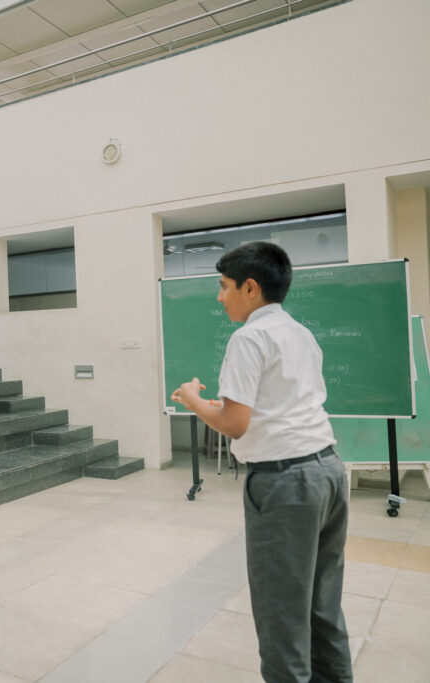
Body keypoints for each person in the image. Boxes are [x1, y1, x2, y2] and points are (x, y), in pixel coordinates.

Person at [171, 242, 351, 683]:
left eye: (224, 286)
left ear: (250, 288)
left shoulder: (249, 337)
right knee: (322, 607)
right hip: (327, 471)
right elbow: (273, 406)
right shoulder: (301, 334)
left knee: (282, 617)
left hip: (286, 484)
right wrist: (224, 407)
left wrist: (193, 400)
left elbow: (234, 424)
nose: (219, 297)